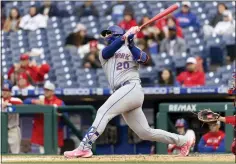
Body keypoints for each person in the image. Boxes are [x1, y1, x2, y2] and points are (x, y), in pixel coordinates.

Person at [64, 25, 193, 158]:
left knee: (103, 112)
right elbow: (109, 51)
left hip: (131, 88)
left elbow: (145, 59)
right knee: (145, 133)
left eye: (109, 33)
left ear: (116, 34)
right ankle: (183, 141)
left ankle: (84, 147)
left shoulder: (131, 49)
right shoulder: (105, 52)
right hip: (122, 93)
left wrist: (131, 44)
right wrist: (124, 38)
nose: (106, 36)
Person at [23, 81, 65, 154]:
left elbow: (65, 119)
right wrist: (34, 101)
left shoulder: (59, 102)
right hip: (40, 135)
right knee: (41, 159)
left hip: (55, 135)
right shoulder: (40, 100)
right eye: (45, 90)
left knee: (56, 158)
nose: (45, 92)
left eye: (48, 90)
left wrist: (58, 127)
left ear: (52, 92)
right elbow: (25, 102)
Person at [1, 80, 23, 154]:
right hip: (1, 130)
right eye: (3, 90)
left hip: (13, 129)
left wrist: (8, 103)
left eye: (7, 90)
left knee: (15, 153)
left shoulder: (15, 99)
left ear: (10, 92)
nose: (4, 92)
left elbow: (21, 103)